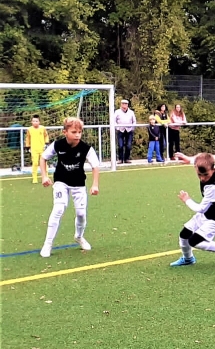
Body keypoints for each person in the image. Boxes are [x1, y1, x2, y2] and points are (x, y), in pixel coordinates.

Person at [38, 117, 100, 257]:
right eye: (74, 132)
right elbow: (43, 158)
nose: (77, 135)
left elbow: (95, 166)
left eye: (80, 132)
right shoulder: (57, 145)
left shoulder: (86, 148)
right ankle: (48, 244)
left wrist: (95, 185)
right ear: (65, 132)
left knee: (81, 214)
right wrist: (44, 176)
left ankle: (79, 236)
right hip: (61, 181)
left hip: (78, 184)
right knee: (59, 208)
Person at [169, 151, 215, 267]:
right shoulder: (210, 167)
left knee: (194, 241)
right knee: (184, 235)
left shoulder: (212, 187)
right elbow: (202, 160)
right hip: (210, 211)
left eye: (206, 175)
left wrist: (187, 200)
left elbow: (201, 209)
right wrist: (189, 160)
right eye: (199, 175)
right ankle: (188, 259)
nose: (202, 178)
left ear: (214, 170)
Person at [25, 114, 50, 184]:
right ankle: (34, 178)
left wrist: (46, 143)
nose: (35, 122)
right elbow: (27, 138)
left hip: (42, 149)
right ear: (31, 122)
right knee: (35, 163)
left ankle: (45, 177)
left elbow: (46, 136)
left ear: (39, 122)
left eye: (36, 121)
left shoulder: (42, 128)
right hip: (34, 149)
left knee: (44, 163)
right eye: (33, 121)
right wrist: (27, 146)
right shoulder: (29, 129)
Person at [114, 99, 136, 164]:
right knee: (120, 145)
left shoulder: (131, 112)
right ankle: (120, 159)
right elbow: (114, 120)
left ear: (127, 105)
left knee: (128, 145)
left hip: (129, 130)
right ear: (121, 104)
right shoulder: (117, 112)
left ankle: (126, 158)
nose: (124, 106)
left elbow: (134, 121)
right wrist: (117, 128)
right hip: (120, 130)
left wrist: (132, 128)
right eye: (123, 104)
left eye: (125, 104)